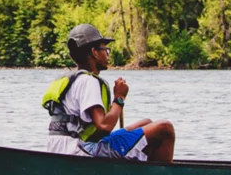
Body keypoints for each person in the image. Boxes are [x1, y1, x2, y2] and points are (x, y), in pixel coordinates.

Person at [42, 23, 176, 162]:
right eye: (105, 49)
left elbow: (96, 133)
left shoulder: (72, 79)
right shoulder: (88, 81)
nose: (107, 54)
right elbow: (104, 126)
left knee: (146, 123)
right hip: (78, 151)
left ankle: (141, 169)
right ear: (94, 52)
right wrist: (119, 98)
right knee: (165, 129)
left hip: (60, 148)